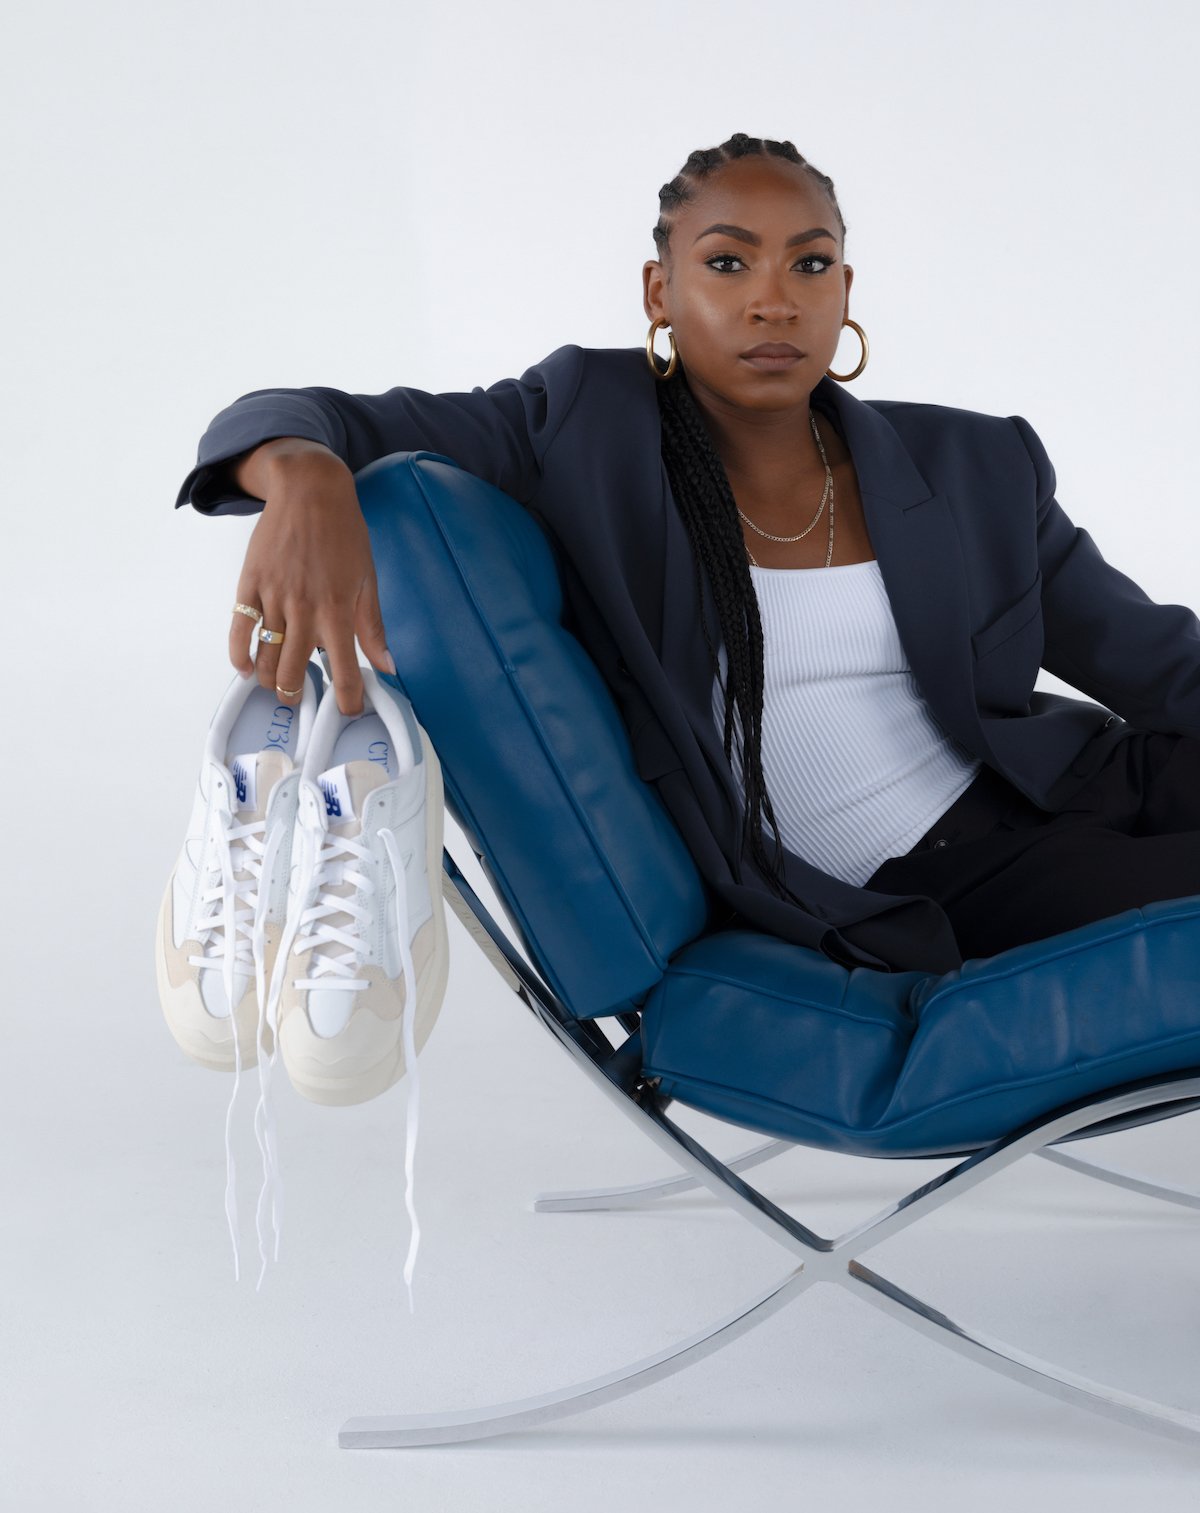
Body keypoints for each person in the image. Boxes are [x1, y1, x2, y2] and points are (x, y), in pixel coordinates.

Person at [176, 132, 1200, 976]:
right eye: (727, 262)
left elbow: (1161, 667)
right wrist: (304, 476)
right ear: (658, 292)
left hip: (1083, 788)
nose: (774, 300)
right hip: (920, 888)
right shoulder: (581, 425)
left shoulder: (973, 461)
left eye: (809, 263)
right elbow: (294, 412)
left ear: (846, 289)